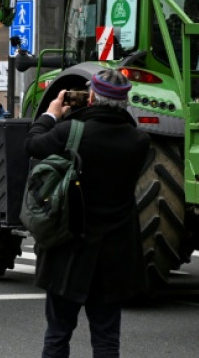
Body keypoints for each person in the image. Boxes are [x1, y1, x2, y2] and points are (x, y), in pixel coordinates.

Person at [24, 69, 150, 357]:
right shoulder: (139, 141)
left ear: (92, 96)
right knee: (106, 339)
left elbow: (32, 145)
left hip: (69, 249)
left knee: (58, 334)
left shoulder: (72, 132)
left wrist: (52, 114)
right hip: (114, 257)